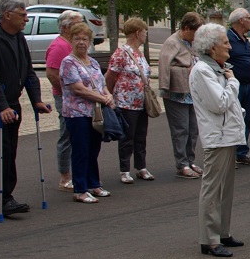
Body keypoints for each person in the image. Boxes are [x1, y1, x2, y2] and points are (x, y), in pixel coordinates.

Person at [0, 0, 53, 215]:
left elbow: (28, 72)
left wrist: (35, 99)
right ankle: (3, 199)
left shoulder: (19, 38)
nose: (26, 19)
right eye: (22, 14)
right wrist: (1, 107)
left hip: (12, 101)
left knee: (11, 150)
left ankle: (8, 195)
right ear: (7, 15)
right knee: (0, 151)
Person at [188, 23, 246, 257]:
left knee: (226, 189)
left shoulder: (217, 68)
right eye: (225, 42)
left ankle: (222, 232)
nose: (229, 46)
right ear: (212, 48)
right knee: (212, 189)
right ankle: (209, 239)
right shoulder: (202, 70)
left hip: (227, 135)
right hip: (217, 137)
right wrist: (233, 82)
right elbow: (219, 103)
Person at [60, 23, 113, 203]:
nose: (81, 42)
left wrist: (108, 95)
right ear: (71, 40)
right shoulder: (68, 62)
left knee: (93, 149)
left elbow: (102, 84)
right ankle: (80, 188)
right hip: (77, 113)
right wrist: (102, 98)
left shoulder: (94, 62)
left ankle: (94, 183)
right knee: (81, 150)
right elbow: (78, 89)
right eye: (77, 38)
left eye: (85, 39)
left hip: (94, 113)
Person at [106, 18, 154, 183]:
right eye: (145, 32)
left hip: (141, 102)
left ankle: (141, 167)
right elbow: (110, 76)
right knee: (127, 137)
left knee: (141, 135)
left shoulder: (140, 53)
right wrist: (109, 96)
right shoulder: (121, 53)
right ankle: (124, 169)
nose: (146, 35)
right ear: (138, 33)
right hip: (126, 102)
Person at [159, 12, 204, 179]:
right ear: (186, 28)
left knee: (193, 129)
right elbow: (164, 66)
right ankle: (182, 164)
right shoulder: (172, 43)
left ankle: (190, 160)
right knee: (181, 130)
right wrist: (165, 87)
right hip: (177, 94)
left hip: (193, 94)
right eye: (195, 32)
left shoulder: (192, 43)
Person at [44, 10, 83, 191]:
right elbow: (51, 74)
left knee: (76, 135)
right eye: (78, 22)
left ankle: (76, 173)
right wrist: (66, 93)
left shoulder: (73, 44)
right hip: (65, 97)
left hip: (78, 96)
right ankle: (64, 176)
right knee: (66, 135)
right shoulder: (59, 46)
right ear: (67, 27)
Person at [227, 9, 250, 167]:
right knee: (233, 120)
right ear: (240, 20)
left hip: (248, 85)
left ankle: (242, 152)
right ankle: (229, 154)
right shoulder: (228, 38)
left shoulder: (245, 40)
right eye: (249, 18)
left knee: (246, 120)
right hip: (235, 86)